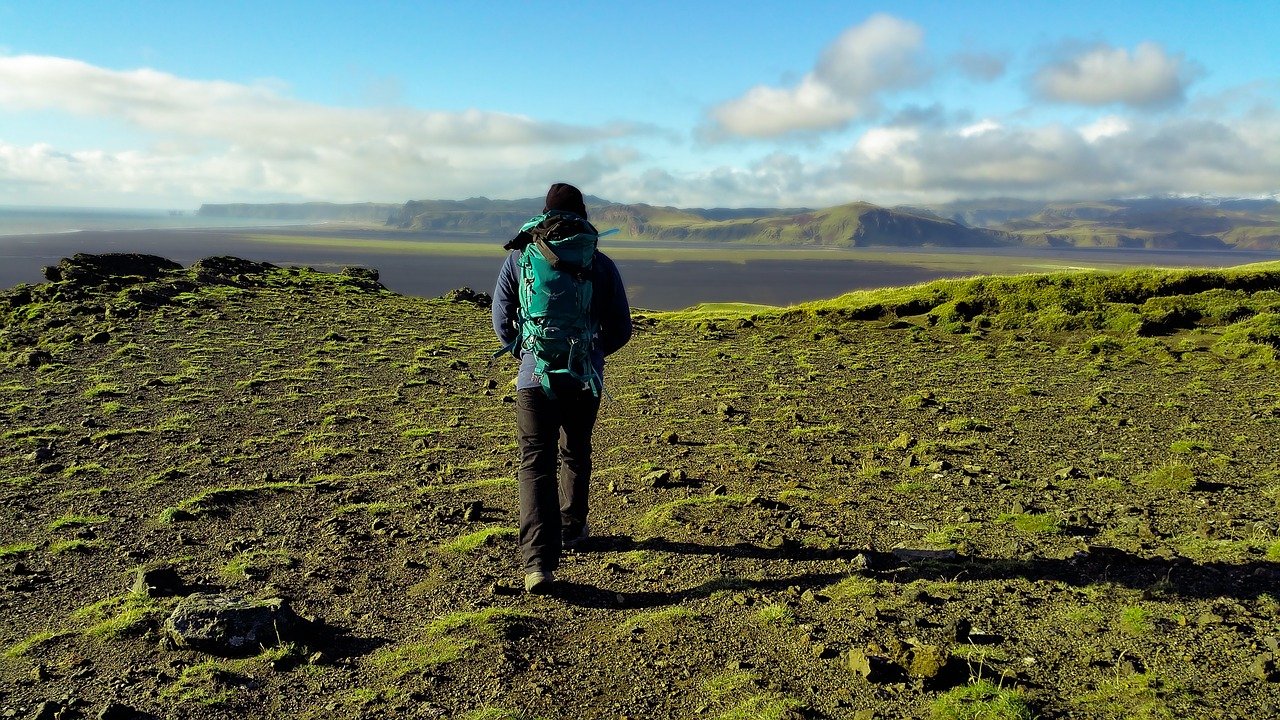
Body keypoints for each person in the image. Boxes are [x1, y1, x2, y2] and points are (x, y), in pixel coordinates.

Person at [492, 183, 632, 594]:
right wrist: (591, 353)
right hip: (584, 377)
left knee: (535, 463)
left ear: (544, 212)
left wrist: (530, 352)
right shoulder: (600, 263)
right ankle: (573, 527)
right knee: (576, 450)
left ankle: (538, 563)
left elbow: (502, 321)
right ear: (584, 214)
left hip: (533, 379)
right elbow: (622, 328)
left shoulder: (520, 258)